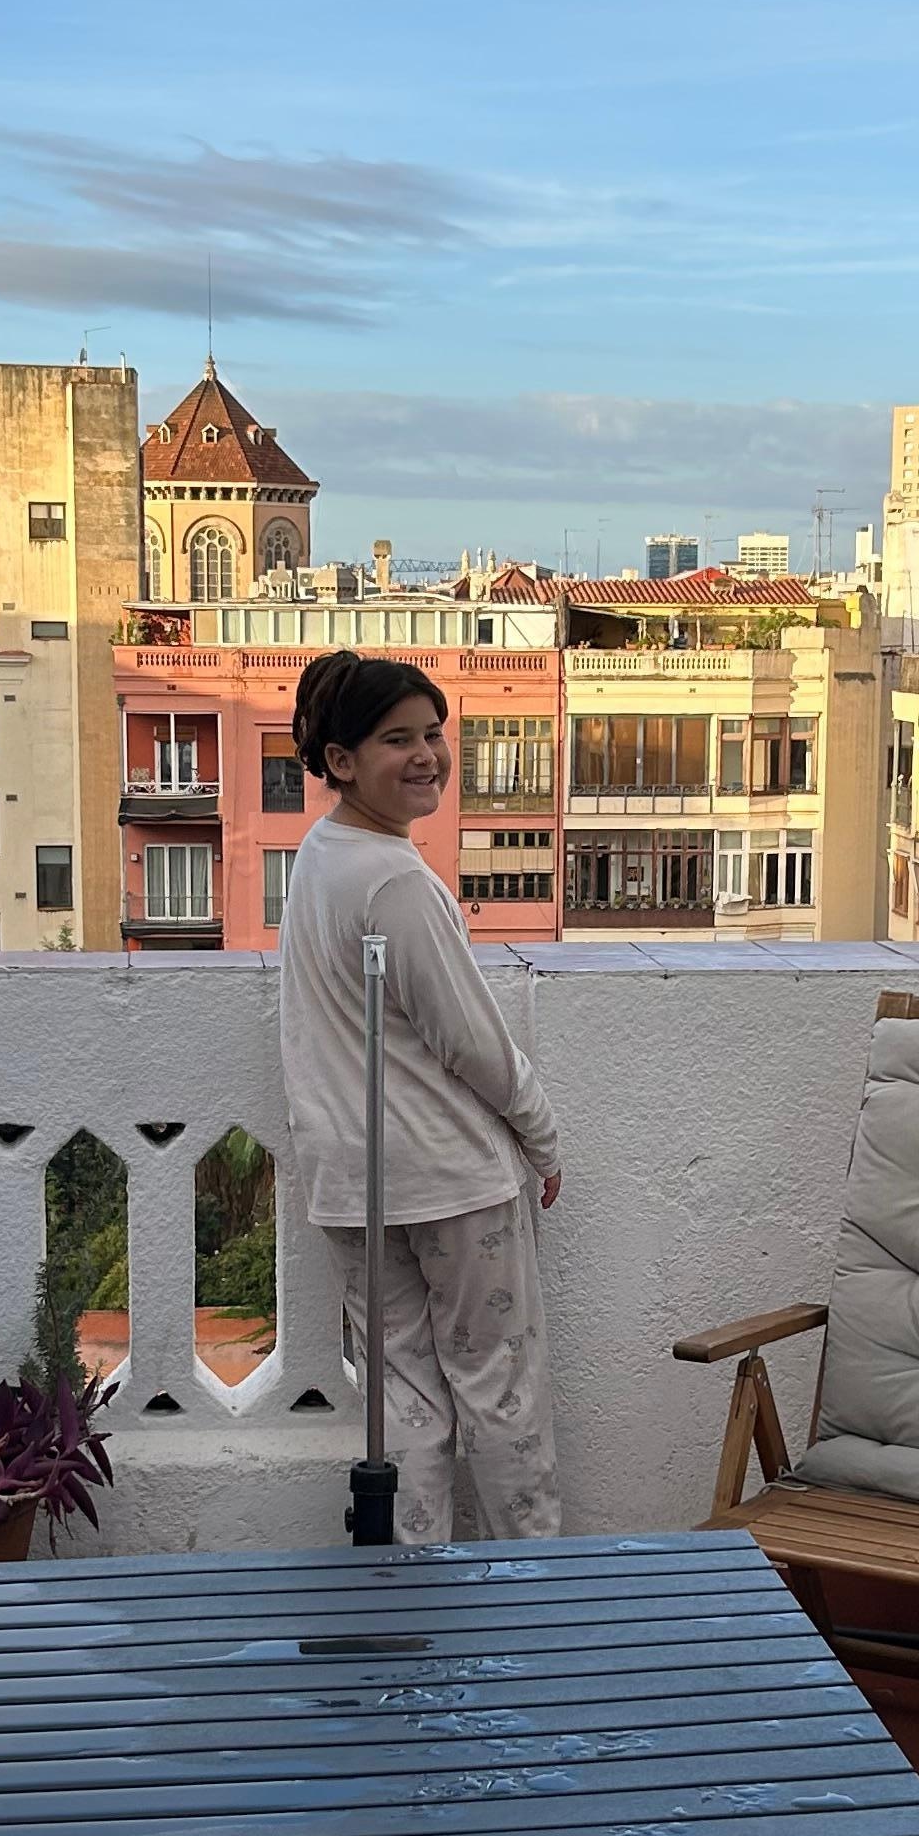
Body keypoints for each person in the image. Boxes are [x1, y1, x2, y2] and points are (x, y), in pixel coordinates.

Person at [275, 650, 563, 1544]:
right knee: (499, 1389)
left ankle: (416, 1590)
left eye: (433, 734)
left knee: (402, 1398)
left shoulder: (320, 858)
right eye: (397, 738)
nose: (427, 755)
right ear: (340, 759)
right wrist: (542, 1136)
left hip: (353, 1184)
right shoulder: (395, 879)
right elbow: (470, 1039)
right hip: (448, 1177)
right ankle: (530, 1590)